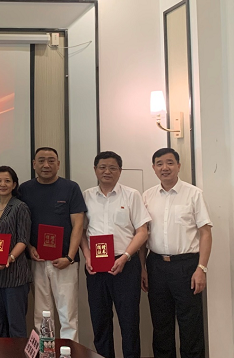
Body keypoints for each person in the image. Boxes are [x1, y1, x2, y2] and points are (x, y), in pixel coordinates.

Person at [140, 147, 212, 358]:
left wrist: (201, 268)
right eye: (159, 163)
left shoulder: (193, 194)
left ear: (178, 166)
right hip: (156, 265)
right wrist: (143, 268)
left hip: (186, 266)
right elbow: (143, 234)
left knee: (191, 325)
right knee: (161, 325)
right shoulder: (147, 196)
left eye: (170, 163)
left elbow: (205, 233)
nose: (165, 167)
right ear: (153, 168)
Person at [80, 151, 151, 358]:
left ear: (120, 171)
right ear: (95, 170)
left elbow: (142, 231)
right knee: (100, 322)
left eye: (112, 168)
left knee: (129, 322)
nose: (107, 171)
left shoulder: (132, 195)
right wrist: (87, 256)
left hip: (126, 264)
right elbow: (81, 232)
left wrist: (125, 256)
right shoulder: (86, 196)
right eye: (102, 167)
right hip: (96, 267)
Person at [19, 146, 86, 341]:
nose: (46, 165)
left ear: (58, 164)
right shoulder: (25, 189)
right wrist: (29, 247)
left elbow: (78, 225)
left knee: (68, 315)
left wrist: (70, 257)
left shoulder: (70, 188)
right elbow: (22, 225)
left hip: (65, 261)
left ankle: (69, 352)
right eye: (41, 161)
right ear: (34, 164)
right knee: (41, 314)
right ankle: (45, 352)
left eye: (51, 161)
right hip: (37, 260)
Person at [0, 166, 31, 338]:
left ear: (14, 184)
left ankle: (17, 352)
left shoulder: (20, 207)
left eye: (7, 181)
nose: (2, 184)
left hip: (14, 274)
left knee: (16, 325)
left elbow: (23, 239)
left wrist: (9, 258)